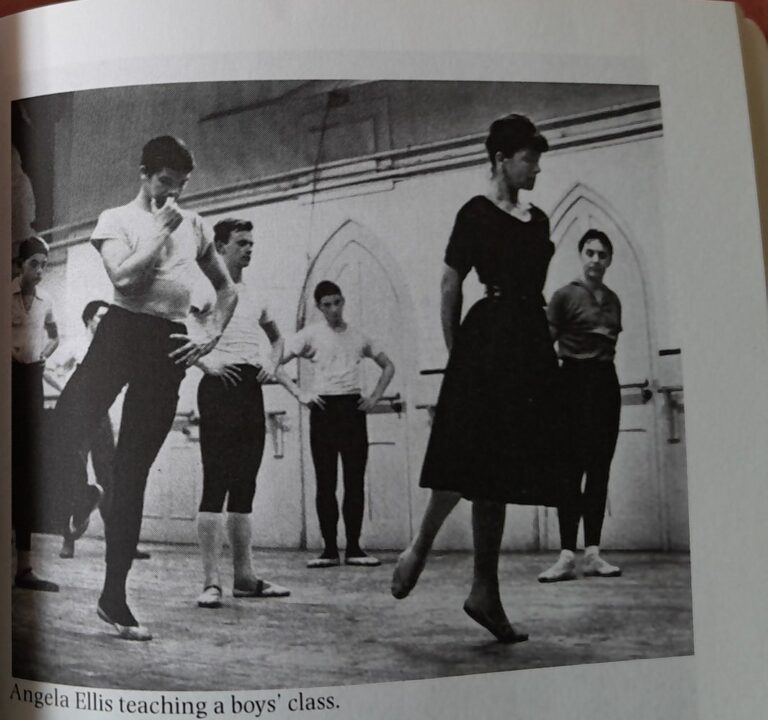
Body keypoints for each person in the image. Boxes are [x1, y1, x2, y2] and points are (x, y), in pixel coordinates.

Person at [52, 135, 237, 640]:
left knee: (131, 475)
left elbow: (226, 288)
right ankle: (81, 494)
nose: (171, 194)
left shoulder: (195, 225)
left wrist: (210, 333)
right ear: (144, 174)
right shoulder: (118, 219)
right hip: (120, 332)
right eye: (163, 183)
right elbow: (125, 279)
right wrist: (158, 229)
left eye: (179, 186)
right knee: (61, 425)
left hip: (168, 343)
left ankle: (114, 598)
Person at [391, 114, 567, 643]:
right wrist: (457, 355)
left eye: (538, 158)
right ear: (501, 160)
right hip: (485, 340)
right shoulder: (474, 213)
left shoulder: (539, 220)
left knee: (499, 470)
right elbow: (450, 284)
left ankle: (484, 592)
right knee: (466, 455)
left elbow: (535, 289)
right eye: (528, 158)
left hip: (528, 341)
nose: (536, 167)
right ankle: (421, 544)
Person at [194, 218, 290, 609]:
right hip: (219, 389)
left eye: (252, 242)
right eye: (241, 243)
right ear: (220, 247)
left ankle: (245, 578)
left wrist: (272, 362)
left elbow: (279, 338)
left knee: (244, 485)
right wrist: (208, 363)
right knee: (216, 483)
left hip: (251, 390)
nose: (249, 248)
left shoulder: (257, 294)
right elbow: (178, 332)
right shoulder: (205, 291)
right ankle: (210, 583)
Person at [277, 281, 395, 568]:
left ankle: (354, 548)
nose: (333, 309)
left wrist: (375, 397)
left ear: (344, 301)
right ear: (319, 307)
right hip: (324, 410)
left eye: (337, 302)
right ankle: (329, 550)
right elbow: (276, 364)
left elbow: (388, 366)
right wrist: (300, 394)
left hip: (352, 410)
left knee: (354, 482)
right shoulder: (310, 335)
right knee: (326, 482)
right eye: (327, 304)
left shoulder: (359, 336)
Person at [538, 229, 623, 582]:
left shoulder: (614, 300)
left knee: (599, 468)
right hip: (570, 383)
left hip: (604, 383)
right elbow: (544, 345)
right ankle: (566, 556)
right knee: (569, 471)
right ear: (580, 255)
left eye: (602, 254)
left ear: (608, 260)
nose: (595, 260)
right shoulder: (563, 296)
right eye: (590, 252)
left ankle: (593, 554)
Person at [49, 300, 150, 561]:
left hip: (101, 416)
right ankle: (68, 540)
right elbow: (49, 368)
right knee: (75, 473)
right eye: (100, 317)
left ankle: (121, 543)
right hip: (78, 416)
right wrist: (65, 391)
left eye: (107, 317)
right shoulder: (75, 345)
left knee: (109, 476)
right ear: (88, 320)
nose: (104, 322)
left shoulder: (112, 348)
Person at [11, 236, 60, 592]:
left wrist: (44, 352)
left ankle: (24, 568)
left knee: (26, 471)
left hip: (32, 381)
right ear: (20, 265)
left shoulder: (46, 301)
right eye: (34, 265)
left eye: (45, 265)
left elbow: (55, 335)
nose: (40, 272)